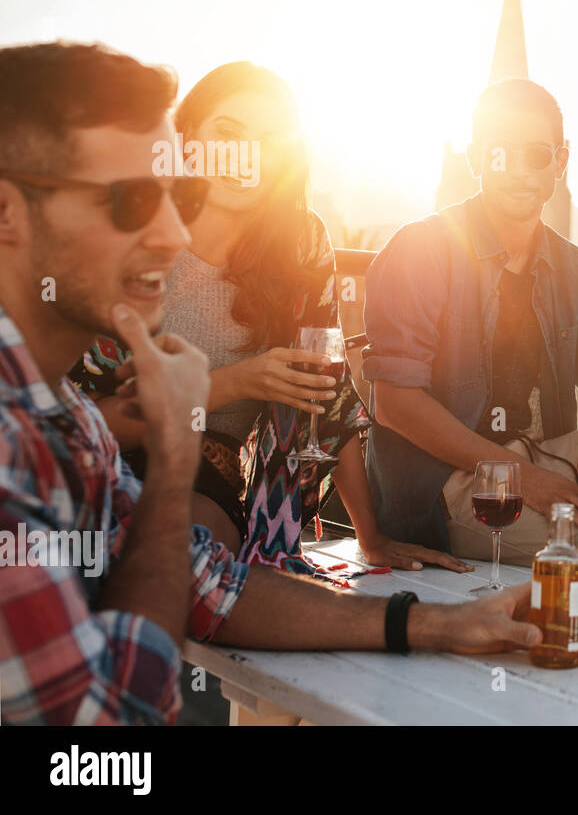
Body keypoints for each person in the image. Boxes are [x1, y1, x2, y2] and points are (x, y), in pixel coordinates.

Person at [0, 41, 537, 725]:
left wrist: (433, 624)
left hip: (204, 472)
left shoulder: (62, 421)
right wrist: (173, 452)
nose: (170, 234)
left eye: (175, 198)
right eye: (131, 199)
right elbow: (103, 744)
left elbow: (212, 581)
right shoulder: (25, 436)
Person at [68, 61, 464, 576]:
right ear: (187, 139)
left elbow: (325, 390)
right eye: (228, 133)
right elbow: (82, 424)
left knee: (184, 552)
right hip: (101, 461)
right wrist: (234, 383)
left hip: (207, 477)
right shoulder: (126, 235)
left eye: (268, 140)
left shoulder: (301, 244)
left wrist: (371, 537)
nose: (243, 156)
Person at [362, 78, 578, 564]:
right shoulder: (422, 249)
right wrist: (527, 481)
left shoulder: (570, 264)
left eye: (535, 155)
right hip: (447, 483)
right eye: (500, 154)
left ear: (560, 162)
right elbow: (394, 404)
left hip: (546, 460)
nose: (518, 171)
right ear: (476, 160)